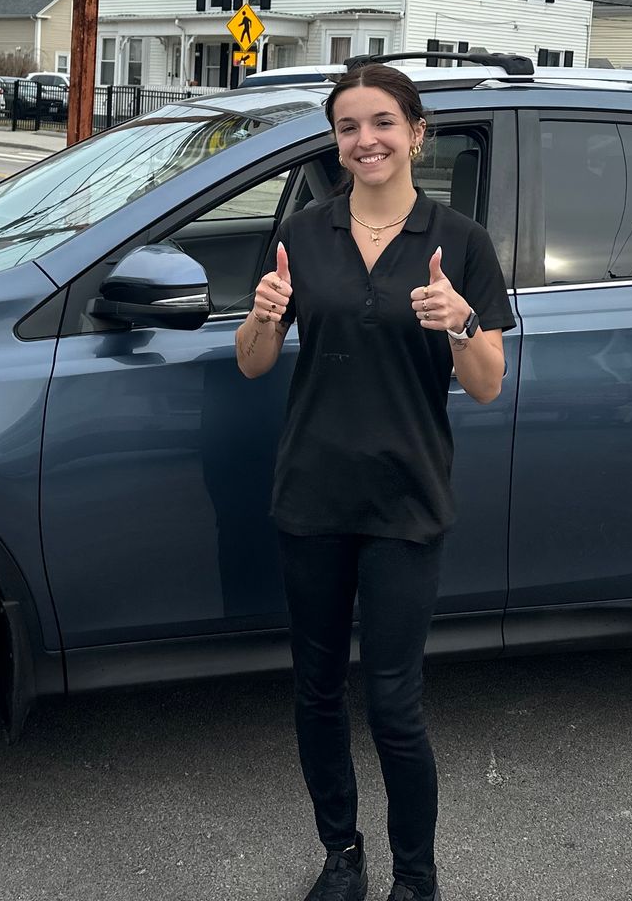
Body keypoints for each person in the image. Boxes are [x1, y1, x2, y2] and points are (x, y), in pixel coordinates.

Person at [236, 63, 513, 901]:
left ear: (416, 132)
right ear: (335, 140)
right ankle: (342, 856)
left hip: (405, 498)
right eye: (350, 126)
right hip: (312, 494)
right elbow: (252, 366)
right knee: (317, 692)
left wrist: (461, 322)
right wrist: (261, 315)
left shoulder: (456, 240)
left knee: (395, 703)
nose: (368, 140)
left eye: (384, 122)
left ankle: (417, 882)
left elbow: (489, 382)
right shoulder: (304, 232)